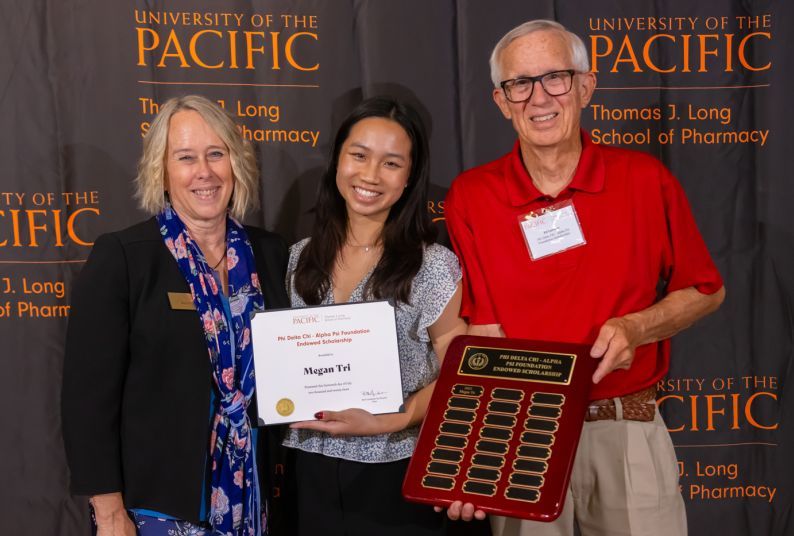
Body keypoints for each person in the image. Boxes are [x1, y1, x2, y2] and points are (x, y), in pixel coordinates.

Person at [443, 20, 725, 536]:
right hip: (520, 433)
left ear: (585, 86)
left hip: (624, 429)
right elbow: (482, 332)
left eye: (555, 77)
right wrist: (475, 455)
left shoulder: (646, 180)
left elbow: (705, 290)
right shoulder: (471, 196)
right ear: (502, 101)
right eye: (519, 84)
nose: (538, 97)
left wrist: (638, 327)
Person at [62, 95, 292, 536]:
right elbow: (86, 400)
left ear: (235, 163)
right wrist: (109, 511)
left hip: (253, 499)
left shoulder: (270, 252)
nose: (203, 171)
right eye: (185, 158)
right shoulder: (125, 258)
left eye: (216, 154)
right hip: (154, 508)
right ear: (162, 172)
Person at [283, 96, 467, 536]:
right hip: (310, 471)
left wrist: (397, 419)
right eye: (359, 155)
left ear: (409, 178)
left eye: (391, 163)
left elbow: (459, 372)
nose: (369, 175)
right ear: (337, 162)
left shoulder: (434, 266)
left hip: (398, 476)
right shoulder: (297, 259)